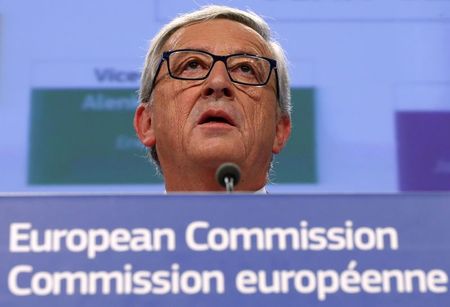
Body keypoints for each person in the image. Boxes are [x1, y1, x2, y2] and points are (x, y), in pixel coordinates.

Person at [134, 5, 291, 192]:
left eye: (245, 69)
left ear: (278, 129)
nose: (218, 82)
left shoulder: (329, 221)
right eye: (192, 65)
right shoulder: (98, 222)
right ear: (148, 123)